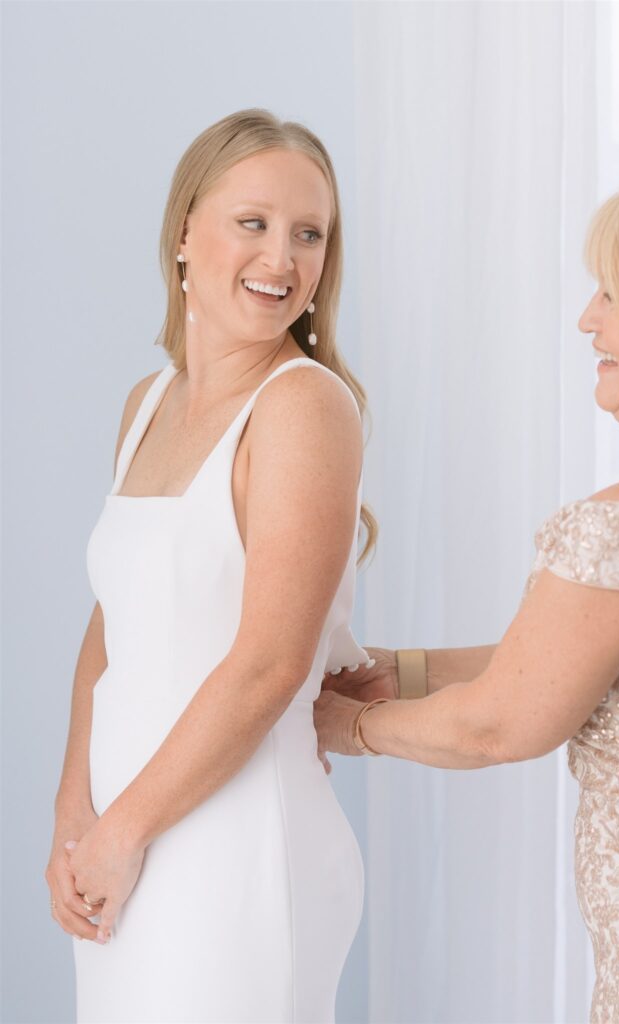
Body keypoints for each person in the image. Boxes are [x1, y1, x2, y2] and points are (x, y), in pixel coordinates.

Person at [316, 160, 619, 1021]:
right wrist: (398, 669)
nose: (589, 319)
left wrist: (352, 726)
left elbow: (499, 722)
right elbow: (576, 657)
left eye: (617, 297)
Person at [45, 108, 376, 1023]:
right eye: (254, 223)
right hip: (125, 841)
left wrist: (122, 828)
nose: (282, 260)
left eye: (310, 234)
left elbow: (271, 664)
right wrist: (75, 812)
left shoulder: (305, 408)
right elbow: (111, 629)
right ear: (185, 231)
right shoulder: (146, 403)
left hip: (233, 850)